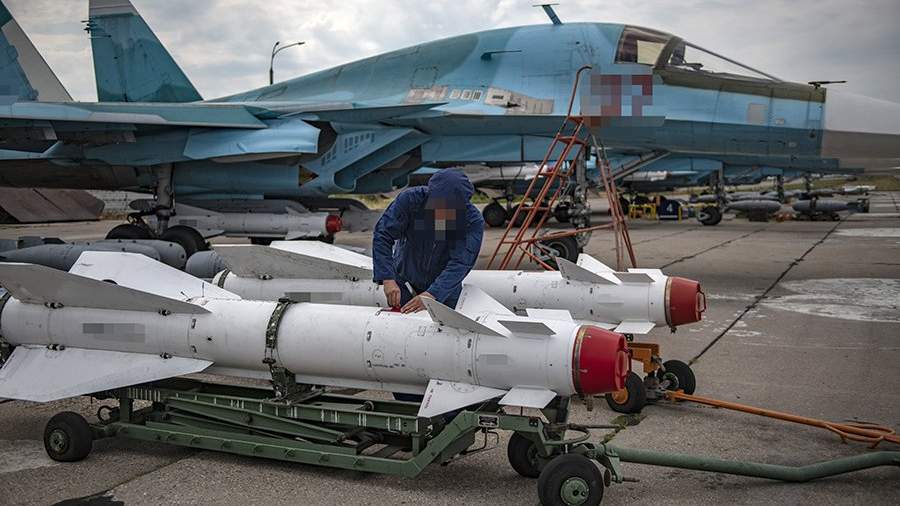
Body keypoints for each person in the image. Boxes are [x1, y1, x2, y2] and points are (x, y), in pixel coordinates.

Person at [372, 169, 484, 313]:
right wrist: (387, 278)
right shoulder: (410, 201)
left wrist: (433, 294)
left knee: (445, 325)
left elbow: (461, 262)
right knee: (403, 322)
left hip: (444, 288)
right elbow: (383, 234)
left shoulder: (471, 221)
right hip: (405, 280)